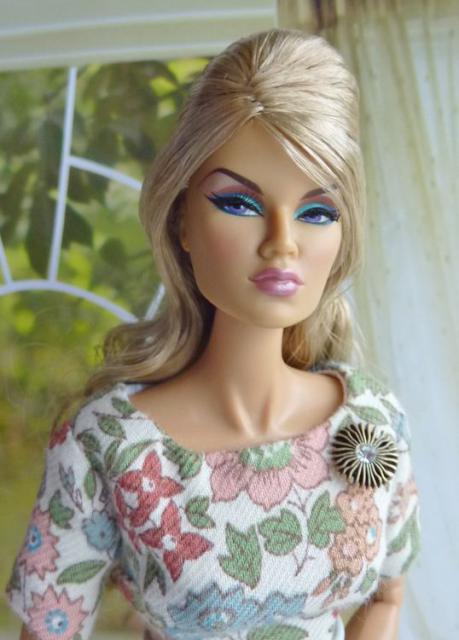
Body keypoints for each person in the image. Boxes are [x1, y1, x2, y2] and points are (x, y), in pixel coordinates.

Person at [6, 28, 421, 640]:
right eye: (240, 204)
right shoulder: (109, 443)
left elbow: (387, 594)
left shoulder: (371, 419)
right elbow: (50, 625)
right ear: (182, 221)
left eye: (317, 212)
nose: (282, 242)